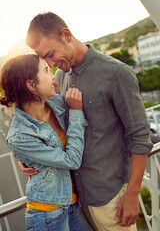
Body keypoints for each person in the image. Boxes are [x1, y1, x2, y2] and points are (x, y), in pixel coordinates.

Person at [20, 12, 153, 231]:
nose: (51, 63)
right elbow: (57, 129)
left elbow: (140, 137)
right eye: (46, 59)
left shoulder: (116, 73)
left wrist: (132, 194)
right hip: (78, 201)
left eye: (51, 53)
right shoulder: (61, 77)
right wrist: (29, 157)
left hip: (111, 200)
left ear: (66, 34)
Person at [0, 54, 93, 231]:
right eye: (45, 71)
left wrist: (27, 159)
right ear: (31, 84)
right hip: (47, 215)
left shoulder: (57, 103)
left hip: (73, 205)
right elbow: (71, 160)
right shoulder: (19, 136)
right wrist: (76, 113)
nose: (52, 76)